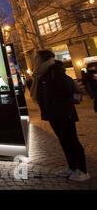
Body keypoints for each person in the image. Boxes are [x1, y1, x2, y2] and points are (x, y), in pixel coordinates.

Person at [30, 50, 90, 182]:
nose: (35, 60)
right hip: (53, 113)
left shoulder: (54, 71)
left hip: (63, 113)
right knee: (64, 141)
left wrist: (52, 101)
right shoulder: (42, 74)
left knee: (72, 141)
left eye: (36, 58)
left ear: (42, 59)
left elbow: (65, 92)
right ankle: (72, 167)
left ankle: (83, 171)